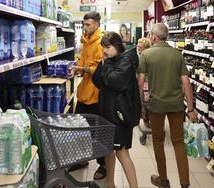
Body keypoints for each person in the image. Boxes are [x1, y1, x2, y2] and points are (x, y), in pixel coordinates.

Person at [138, 23, 198, 188]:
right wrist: (191, 109)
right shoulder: (177, 54)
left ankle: (163, 179)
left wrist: (141, 105)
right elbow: (186, 83)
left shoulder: (146, 55)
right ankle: (185, 183)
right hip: (176, 105)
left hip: (156, 105)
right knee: (178, 142)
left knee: (158, 140)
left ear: (154, 36)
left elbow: (140, 82)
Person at [92, 31, 140, 188]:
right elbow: (97, 81)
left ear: (117, 46)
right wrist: (103, 64)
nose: (105, 51)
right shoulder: (111, 60)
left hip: (120, 115)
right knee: (107, 149)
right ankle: (110, 184)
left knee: (122, 152)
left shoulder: (126, 61)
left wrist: (106, 65)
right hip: (107, 112)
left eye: (108, 47)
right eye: (103, 47)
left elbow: (115, 81)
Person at [69, 11, 107, 180]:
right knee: (79, 129)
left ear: (97, 24)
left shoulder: (102, 42)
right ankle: (82, 159)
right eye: (84, 24)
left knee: (97, 132)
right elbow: (82, 61)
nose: (85, 27)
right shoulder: (85, 41)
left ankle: (103, 165)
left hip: (97, 94)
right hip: (84, 91)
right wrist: (75, 68)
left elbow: (99, 68)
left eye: (89, 24)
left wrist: (82, 69)